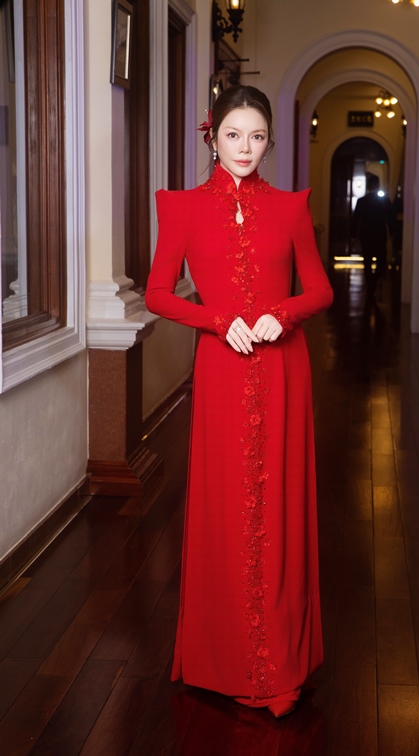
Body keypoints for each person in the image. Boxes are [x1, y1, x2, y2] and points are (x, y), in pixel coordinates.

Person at [145, 85, 333, 718]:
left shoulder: (291, 207)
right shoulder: (181, 207)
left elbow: (321, 290)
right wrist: (217, 319)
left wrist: (284, 312)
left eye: (256, 136)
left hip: (283, 368)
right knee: (226, 505)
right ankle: (223, 660)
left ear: (270, 140)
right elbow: (158, 293)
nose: (245, 147)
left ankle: (281, 661)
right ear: (212, 138)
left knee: (278, 505)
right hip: (223, 369)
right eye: (233, 135)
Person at [353, 174, 395, 296]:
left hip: (366, 235)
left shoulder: (362, 201)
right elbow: (390, 218)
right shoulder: (384, 201)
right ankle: (373, 282)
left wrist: (354, 236)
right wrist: (392, 233)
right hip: (379, 234)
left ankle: (370, 285)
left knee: (367, 262)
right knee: (381, 261)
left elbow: (356, 219)